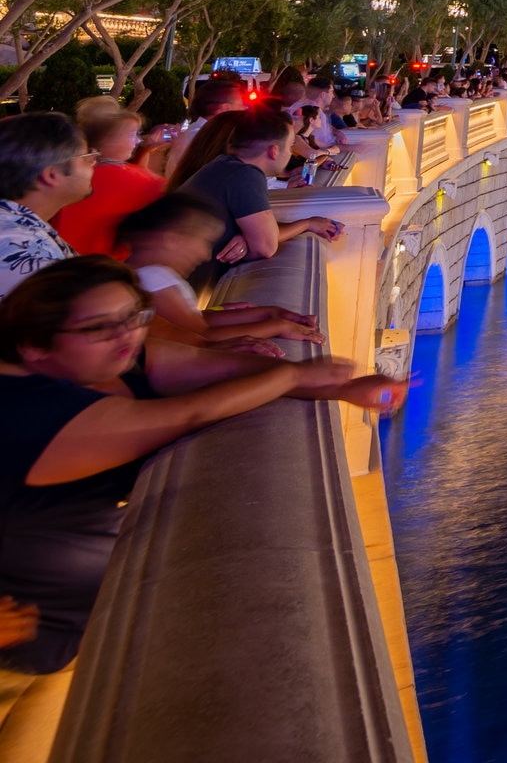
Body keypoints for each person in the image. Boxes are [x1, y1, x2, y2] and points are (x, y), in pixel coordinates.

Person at [0, 258, 402, 751]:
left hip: (67, 628)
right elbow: (194, 411)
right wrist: (299, 379)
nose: (126, 334)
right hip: (19, 650)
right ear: (33, 345)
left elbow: (229, 369)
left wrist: (336, 386)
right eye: (98, 328)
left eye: (133, 315)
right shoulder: (24, 414)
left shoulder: (113, 360)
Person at [114, 196, 319, 351]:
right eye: (203, 241)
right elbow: (202, 335)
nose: (204, 255)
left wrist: (269, 313)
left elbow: (195, 321)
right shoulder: (152, 278)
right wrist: (278, 326)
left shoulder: (150, 275)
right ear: (171, 239)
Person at [177, 109, 342, 269]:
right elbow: (266, 246)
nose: (291, 153)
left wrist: (310, 223)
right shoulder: (245, 174)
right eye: (290, 146)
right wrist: (307, 223)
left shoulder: (224, 165)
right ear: (274, 151)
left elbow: (264, 230)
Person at [50, 106, 163, 257]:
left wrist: (146, 151)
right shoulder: (122, 177)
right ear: (108, 140)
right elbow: (165, 191)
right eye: (132, 134)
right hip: (103, 264)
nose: (138, 140)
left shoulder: (82, 171)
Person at [0, 117, 90, 300]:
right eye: (87, 157)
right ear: (51, 175)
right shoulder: (23, 250)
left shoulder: (16, 226)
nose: (94, 163)